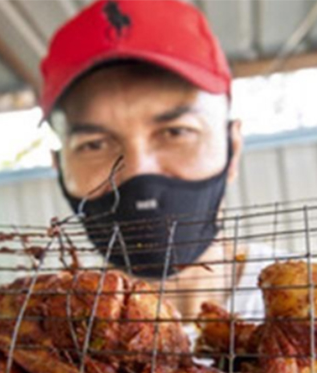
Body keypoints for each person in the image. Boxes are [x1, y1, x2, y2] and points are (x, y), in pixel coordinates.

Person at [41, 0, 273, 322]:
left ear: (232, 147)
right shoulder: (43, 329)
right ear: (59, 166)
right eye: (94, 144)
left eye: (176, 132)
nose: (138, 170)